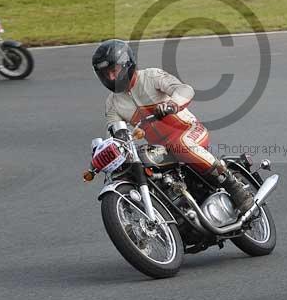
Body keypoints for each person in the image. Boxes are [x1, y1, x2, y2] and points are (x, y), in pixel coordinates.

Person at [92, 39, 255, 214]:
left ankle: (233, 185)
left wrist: (172, 104)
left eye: (113, 71)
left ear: (127, 64)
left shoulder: (152, 76)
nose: (111, 78)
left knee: (181, 145)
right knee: (134, 164)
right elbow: (116, 132)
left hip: (188, 131)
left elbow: (185, 90)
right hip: (161, 149)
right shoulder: (112, 103)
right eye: (105, 74)